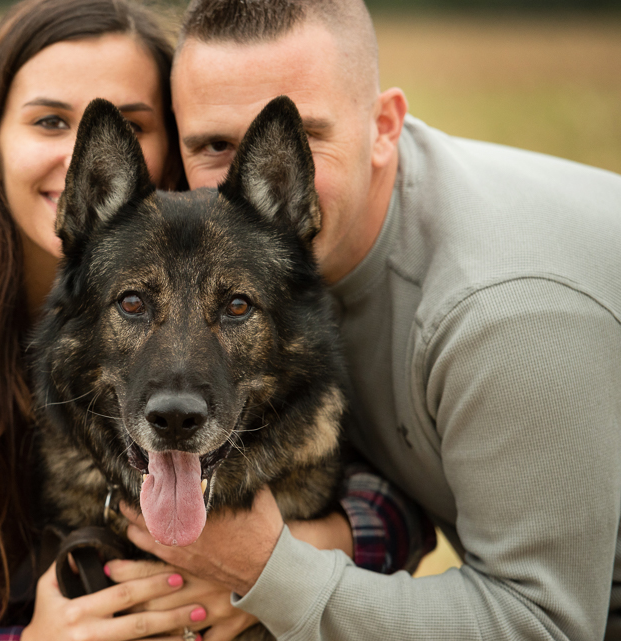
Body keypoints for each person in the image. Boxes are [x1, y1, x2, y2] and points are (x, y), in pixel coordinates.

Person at [0, 0, 433, 639]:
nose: (76, 153)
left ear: (171, 147)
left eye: (128, 124)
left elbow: (397, 494)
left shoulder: (260, 277)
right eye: (50, 119)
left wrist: (286, 564)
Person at [120, 0, 621, 638]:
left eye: (300, 142)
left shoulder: (501, 311)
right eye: (216, 145)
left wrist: (269, 574)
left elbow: (544, 625)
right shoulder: (234, 265)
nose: (260, 182)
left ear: (384, 126)